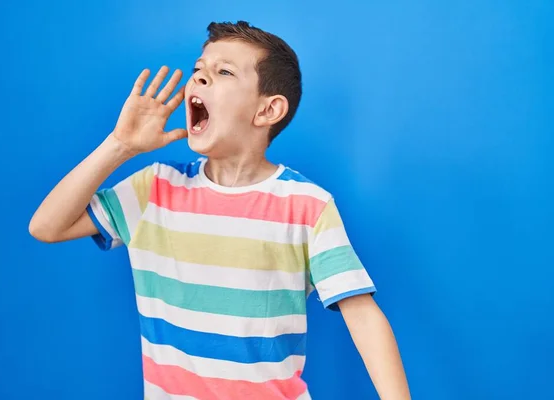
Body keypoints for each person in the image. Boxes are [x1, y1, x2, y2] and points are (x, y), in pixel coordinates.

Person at [29, 20, 410, 400]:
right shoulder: (154, 189)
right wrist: (120, 146)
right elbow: (47, 226)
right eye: (198, 71)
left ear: (268, 110)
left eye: (223, 72)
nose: (200, 79)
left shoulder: (307, 205)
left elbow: (362, 315)